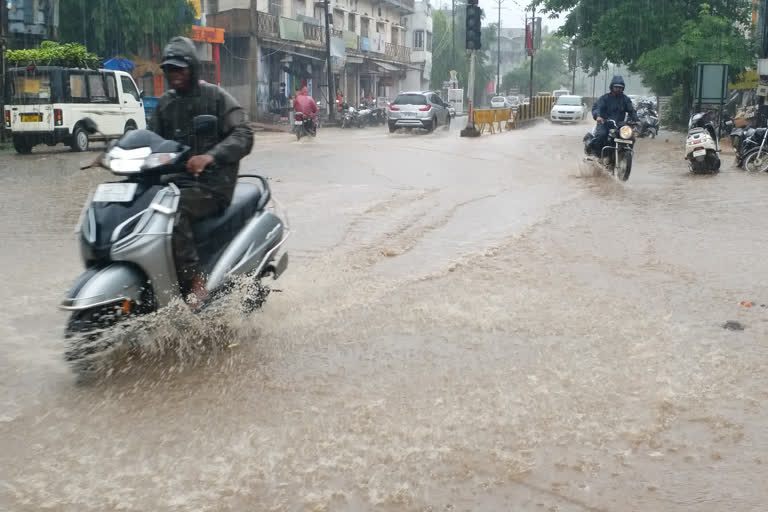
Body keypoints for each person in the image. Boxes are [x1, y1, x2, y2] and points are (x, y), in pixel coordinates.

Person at [149, 36, 254, 307]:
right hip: (174, 184)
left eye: (180, 69)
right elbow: (147, 140)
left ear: (193, 68)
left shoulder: (216, 97)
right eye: (170, 70)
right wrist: (114, 153)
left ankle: (195, 279)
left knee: (174, 212)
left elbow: (244, 133)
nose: (174, 75)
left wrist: (210, 156)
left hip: (212, 186)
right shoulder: (164, 105)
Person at [588, 75, 638, 157]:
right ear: (612, 87)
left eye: (620, 87)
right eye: (616, 87)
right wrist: (598, 116)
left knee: (630, 137)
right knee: (601, 135)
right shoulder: (605, 98)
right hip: (604, 123)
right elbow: (596, 108)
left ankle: (626, 154)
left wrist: (637, 120)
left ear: (623, 88)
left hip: (619, 125)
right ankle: (596, 156)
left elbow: (631, 111)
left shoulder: (625, 99)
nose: (618, 89)